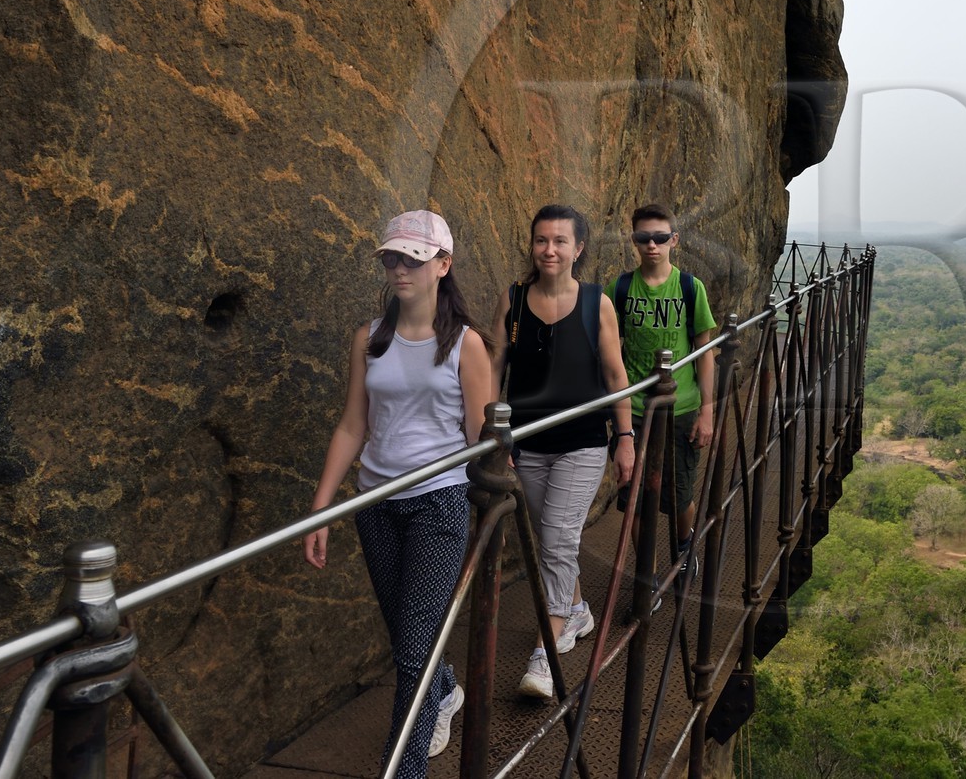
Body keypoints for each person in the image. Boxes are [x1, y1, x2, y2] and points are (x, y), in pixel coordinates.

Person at [304, 210, 492, 776]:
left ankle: (403, 770)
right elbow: (351, 426)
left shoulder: (466, 344)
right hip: (375, 504)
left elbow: (481, 437)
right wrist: (320, 510)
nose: (399, 268)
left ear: (443, 265)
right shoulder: (370, 337)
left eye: (413, 258)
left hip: (438, 502)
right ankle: (447, 688)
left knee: (412, 655)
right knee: (409, 637)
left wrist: (492, 505)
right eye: (392, 257)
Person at [491, 204, 634, 699]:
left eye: (559, 241)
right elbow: (495, 367)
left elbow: (616, 376)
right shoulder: (512, 300)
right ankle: (576, 609)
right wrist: (493, 430)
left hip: (583, 442)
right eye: (541, 240)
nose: (549, 250)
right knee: (551, 537)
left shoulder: (597, 303)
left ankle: (543, 658)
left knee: (555, 541)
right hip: (528, 443)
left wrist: (626, 437)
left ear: (579, 249)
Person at [606, 204, 717, 571]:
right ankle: (647, 577)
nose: (652, 245)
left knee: (680, 491)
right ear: (634, 240)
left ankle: (684, 548)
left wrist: (707, 411)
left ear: (674, 240)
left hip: (680, 408)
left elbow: (704, 352)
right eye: (643, 238)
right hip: (635, 410)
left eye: (660, 237)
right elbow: (608, 353)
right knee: (634, 499)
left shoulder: (689, 287)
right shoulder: (620, 288)